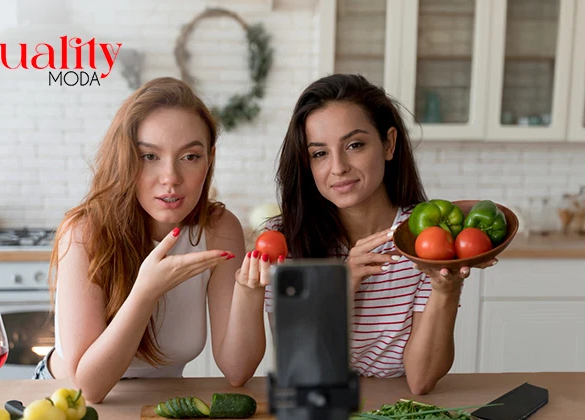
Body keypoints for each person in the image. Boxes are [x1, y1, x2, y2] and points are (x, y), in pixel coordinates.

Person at [33, 77, 270, 403]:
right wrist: (145, 292)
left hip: (159, 401)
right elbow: (89, 389)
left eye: (190, 157)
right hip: (65, 401)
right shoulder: (85, 233)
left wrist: (249, 291)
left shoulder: (219, 229)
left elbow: (237, 370)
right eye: (149, 156)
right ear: (125, 158)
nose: (171, 178)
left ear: (209, 159)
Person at [263, 74, 495, 395]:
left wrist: (445, 291)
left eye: (354, 145)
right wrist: (341, 285)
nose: (338, 167)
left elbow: (421, 380)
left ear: (388, 144)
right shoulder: (282, 241)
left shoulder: (425, 237)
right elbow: (303, 370)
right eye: (320, 153)